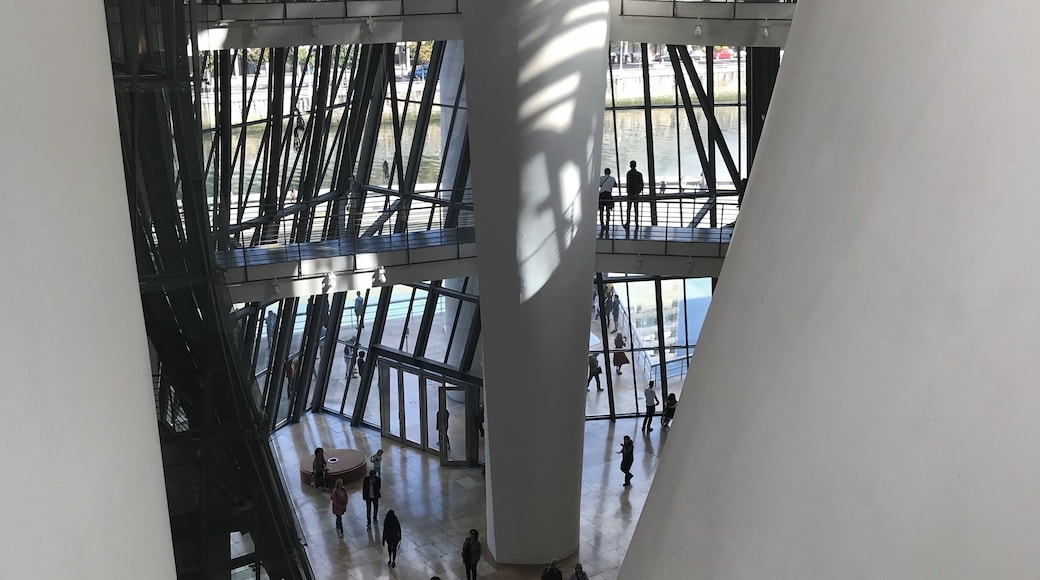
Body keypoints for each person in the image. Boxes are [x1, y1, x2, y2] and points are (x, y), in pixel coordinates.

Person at [624, 160, 644, 228]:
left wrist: (628, 191)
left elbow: (628, 184)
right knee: (636, 209)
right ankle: (636, 223)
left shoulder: (628, 173)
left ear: (630, 165)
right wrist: (639, 191)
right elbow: (642, 184)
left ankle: (628, 222)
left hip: (630, 193)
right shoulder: (639, 174)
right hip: (636, 193)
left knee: (628, 209)